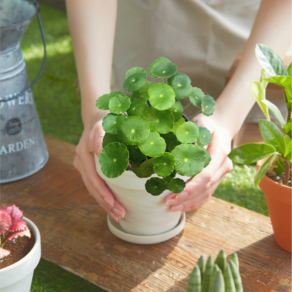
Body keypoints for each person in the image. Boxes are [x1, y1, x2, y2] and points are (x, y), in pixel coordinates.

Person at [65, 0, 291, 222]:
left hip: (254, 31)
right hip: (148, 22)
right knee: (139, 112)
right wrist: (94, 111)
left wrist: (227, 119)